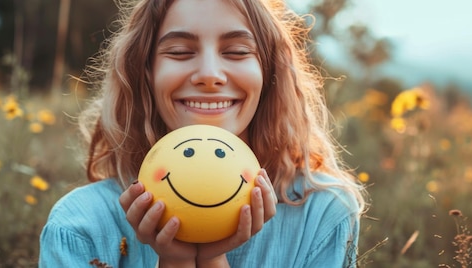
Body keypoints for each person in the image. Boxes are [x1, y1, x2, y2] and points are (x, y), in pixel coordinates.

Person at [39, 0, 367, 267]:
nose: (209, 75)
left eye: (237, 51)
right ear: (146, 74)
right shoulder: (80, 227)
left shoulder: (323, 215)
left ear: (269, 74)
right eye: (180, 52)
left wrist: (210, 260)